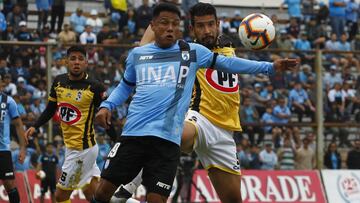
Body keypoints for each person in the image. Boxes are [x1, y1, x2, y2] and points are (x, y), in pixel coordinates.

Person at [93, 3, 297, 203]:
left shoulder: (227, 45)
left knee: (234, 199)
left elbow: (235, 64)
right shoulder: (188, 52)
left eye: (210, 25)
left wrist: (270, 66)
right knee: (175, 134)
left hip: (225, 132)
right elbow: (148, 45)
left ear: (218, 24)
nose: (207, 30)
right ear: (191, 29)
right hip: (198, 118)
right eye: (200, 26)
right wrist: (161, 15)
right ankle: (130, 184)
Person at [25, 46, 107, 203]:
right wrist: (35, 126)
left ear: (86, 62)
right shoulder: (59, 82)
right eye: (73, 58)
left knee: (60, 196)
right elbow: (50, 109)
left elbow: (106, 118)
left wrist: (118, 141)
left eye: (80, 59)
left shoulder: (95, 87)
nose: (76, 62)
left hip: (82, 150)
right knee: (93, 194)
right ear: (66, 62)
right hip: (73, 148)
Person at [0, 80, 27, 203]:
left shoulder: (8, 101)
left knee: (9, 184)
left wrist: (22, 148)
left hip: (3, 150)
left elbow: (18, 125)